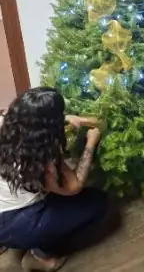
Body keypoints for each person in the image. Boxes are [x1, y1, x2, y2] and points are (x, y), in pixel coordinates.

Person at [0, 87, 116, 272]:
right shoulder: (39, 158)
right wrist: (90, 143)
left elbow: (32, 122)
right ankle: (41, 256)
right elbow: (75, 186)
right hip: (14, 221)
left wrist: (67, 118)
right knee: (97, 203)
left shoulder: (5, 123)